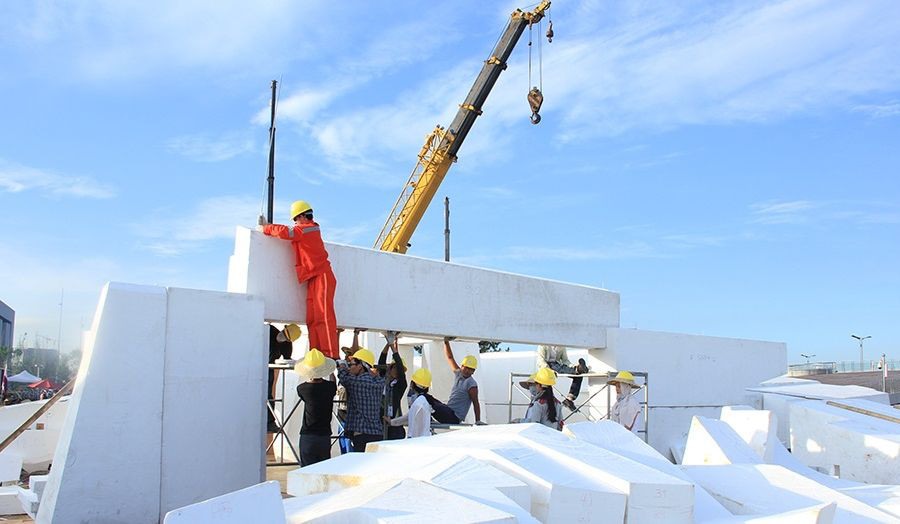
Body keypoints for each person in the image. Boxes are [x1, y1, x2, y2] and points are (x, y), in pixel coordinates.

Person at [259, 200, 339, 359]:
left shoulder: (308, 229)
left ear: (302, 216)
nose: (295, 223)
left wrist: (266, 228)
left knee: (323, 316)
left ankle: (331, 354)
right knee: (312, 318)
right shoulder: (308, 229)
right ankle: (316, 354)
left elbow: (287, 232)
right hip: (315, 277)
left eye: (295, 219)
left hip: (321, 276)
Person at [294, 348, 337, 466]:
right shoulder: (329, 388)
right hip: (324, 435)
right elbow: (334, 382)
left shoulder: (302, 389)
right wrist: (331, 371)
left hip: (308, 434)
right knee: (322, 469)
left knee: (306, 469)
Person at [337, 347, 385, 451]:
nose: (350, 367)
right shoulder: (379, 383)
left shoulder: (356, 382)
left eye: (352, 364)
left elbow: (343, 377)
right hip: (377, 433)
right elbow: (377, 376)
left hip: (361, 435)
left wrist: (341, 366)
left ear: (361, 366)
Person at [268, 324, 301, 435]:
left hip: (269, 369)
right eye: (284, 333)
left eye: (286, 338)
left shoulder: (287, 345)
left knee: (269, 395)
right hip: (256, 364)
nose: (283, 337)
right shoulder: (270, 330)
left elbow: (287, 359)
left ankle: (270, 422)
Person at [443, 337, 483, 424]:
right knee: (431, 402)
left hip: (455, 416)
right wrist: (446, 342)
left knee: (430, 401)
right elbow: (450, 358)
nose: (468, 371)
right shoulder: (458, 374)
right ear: (462, 366)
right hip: (448, 412)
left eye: (471, 369)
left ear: (473, 371)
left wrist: (478, 420)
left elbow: (476, 403)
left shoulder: (471, 384)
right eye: (466, 368)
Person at [537, 344, 589, 411]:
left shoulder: (561, 346)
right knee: (557, 366)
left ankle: (569, 399)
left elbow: (565, 360)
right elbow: (540, 360)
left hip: (557, 365)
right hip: (546, 366)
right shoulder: (543, 345)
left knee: (578, 376)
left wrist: (572, 366)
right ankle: (578, 369)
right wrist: (548, 370)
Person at [385, 368, 434, 438]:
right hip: (421, 440)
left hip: (417, 441)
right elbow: (409, 417)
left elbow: (415, 427)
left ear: (413, 384)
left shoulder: (419, 403)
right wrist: (392, 422)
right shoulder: (423, 400)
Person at [378, 331, 407, 440]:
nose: (399, 372)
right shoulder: (382, 381)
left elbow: (399, 365)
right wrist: (388, 343)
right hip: (380, 424)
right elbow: (381, 361)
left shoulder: (400, 385)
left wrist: (393, 347)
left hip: (394, 427)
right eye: (394, 368)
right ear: (389, 368)